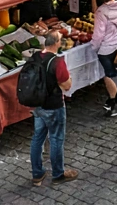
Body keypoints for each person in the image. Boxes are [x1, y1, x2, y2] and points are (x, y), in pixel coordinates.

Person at [27, 32, 77, 184]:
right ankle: (58, 173)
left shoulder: (34, 57)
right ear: (56, 43)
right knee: (56, 139)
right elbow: (67, 86)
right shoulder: (57, 62)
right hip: (54, 106)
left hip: (38, 105)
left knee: (38, 138)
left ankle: (37, 173)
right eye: (60, 41)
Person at [92, 0, 117, 117]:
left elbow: (98, 35)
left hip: (106, 48)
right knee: (113, 73)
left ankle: (113, 103)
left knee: (108, 75)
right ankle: (116, 102)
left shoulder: (101, 12)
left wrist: (94, 48)